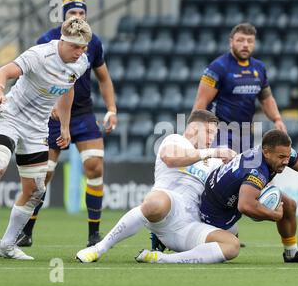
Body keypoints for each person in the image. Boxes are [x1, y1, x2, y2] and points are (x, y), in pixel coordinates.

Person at [0, 16, 91, 260]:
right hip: (10, 116)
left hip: (37, 129)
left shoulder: (81, 63)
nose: (80, 52)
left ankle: (7, 245)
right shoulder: (39, 55)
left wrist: (65, 125)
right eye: (75, 46)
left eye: (83, 47)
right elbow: (2, 72)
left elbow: (68, 87)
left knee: (35, 190)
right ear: (63, 41)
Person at [16, 0, 117, 248]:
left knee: (94, 167)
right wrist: (49, 104)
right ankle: (26, 231)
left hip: (82, 113)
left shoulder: (93, 42)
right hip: (51, 117)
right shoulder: (47, 40)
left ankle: (94, 234)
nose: (78, 18)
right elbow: (33, 77)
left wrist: (112, 109)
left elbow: (103, 78)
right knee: (42, 177)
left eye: (81, 14)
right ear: (63, 16)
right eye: (72, 13)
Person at [76, 110, 240, 264]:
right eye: (210, 132)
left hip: (190, 225)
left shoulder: (215, 161)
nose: (212, 138)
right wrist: (213, 153)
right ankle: (99, 248)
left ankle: (162, 258)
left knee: (232, 245)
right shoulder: (175, 140)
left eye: (214, 134)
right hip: (168, 210)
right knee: (156, 202)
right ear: (195, 128)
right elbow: (170, 158)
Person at [199, 129, 298, 263]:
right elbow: (245, 206)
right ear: (266, 153)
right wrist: (274, 216)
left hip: (232, 196)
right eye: (281, 157)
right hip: (216, 213)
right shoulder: (256, 169)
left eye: (287, 156)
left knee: (289, 204)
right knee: (228, 249)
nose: (286, 161)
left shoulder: (278, 152)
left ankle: (291, 253)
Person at [193, 22, 287, 153]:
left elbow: (266, 98)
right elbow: (201, 101)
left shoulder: (259, 68)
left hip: (246, 134)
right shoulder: (217, 67)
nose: (245, 45)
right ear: (231, 42)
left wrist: (277, 119)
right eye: (240, 40)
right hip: (220, 133)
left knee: (244, 172)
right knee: (222, 171)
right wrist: (196, 130)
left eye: (250, 41)